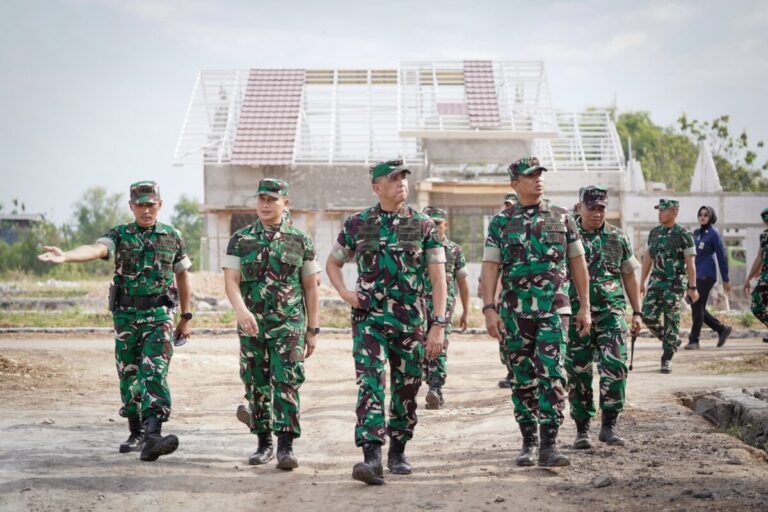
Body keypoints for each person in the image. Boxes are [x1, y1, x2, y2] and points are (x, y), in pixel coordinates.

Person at [37, 181, 192, 461]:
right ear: (131, 206)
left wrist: (186, 317)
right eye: (140, 205)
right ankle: (137, 432)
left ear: (160, 204)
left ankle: (153, 435)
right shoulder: (120, 235)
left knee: (154, 372)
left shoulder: (172, 236)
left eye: (151, 204)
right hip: (126, 317)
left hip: (160, 316)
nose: (146, 210)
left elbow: (182, 274)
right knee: (129, 374)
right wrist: (67, 256)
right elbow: (96, 249)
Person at [326, 159, 447, 485]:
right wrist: (345, 293)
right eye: (393, 179)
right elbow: (333, 263)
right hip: (369, 319)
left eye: (403, 178)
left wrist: (438, 325)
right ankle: (371, 456)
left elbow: (439, 279)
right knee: (370, 382)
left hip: (410, 321)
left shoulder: (424, 226)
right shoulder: (358, 224)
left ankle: (398, 450)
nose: (401, 183)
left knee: (407, 386)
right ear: (377, 187)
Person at [481, 156, 591, 468]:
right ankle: (528, 440)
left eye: (540, 174)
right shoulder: (501, 222)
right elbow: (491, 266)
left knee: (553, 373)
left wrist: (585, 306)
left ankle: (549, 444)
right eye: (530, 176)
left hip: (554, 310)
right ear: (515, 184)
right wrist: (489, 308)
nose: (538, 179)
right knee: (522, 378)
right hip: (515, 313)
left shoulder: (562, 217)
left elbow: (577, 262)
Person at [223, 178, 320, 470]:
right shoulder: (240, 240)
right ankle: (263, 443)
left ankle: (286, 447)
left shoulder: (300, 240)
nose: (265, 204)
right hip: (251, 325)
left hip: (289, 325)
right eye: (261, 199)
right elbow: (231, 281)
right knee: (256, 382)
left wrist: (312, 330)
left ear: (285, 203)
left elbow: (311, 287)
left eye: (272, 199)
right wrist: (241, 311)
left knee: (287, 381)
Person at [565, 186, 642, 450]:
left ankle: (609, 426)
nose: (597, 213)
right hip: (577, 315)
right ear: (580, 207)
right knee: (578, 372)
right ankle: (582, 429)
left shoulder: (617, 237)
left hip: (612, 313)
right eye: (592, 208)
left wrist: (637, 312)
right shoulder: (567, 236)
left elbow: (629, 275)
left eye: (601, 208)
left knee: (615, 367)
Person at [639, 199, 699, 373]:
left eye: (663, 210)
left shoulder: (684, 234)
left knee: (671, 321)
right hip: (655, 283)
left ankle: (667, 358)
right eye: (658, 210)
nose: (659, 214)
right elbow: (648, 259)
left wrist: (692, 287)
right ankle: (671, 340)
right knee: (647, 316)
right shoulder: (654, 233)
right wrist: (642, 282)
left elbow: (690, 263)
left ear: (673, 212)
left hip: (674, 285)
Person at [420, 206, 470, 409]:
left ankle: (435, 388)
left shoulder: (455, 250)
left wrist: (466, 311)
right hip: (418, 305)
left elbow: (463, 282)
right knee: (419, 345)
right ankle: (425, 376)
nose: (434, 227)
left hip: (443, 307)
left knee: (438, 346)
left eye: (438, 223)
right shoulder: (417, 247)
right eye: (430, 223)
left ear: (446, 225)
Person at [684, 205, 732, 350]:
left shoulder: (714, 234)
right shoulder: (696, 233)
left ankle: (694, 340)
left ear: (711, 217)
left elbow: (722, 257)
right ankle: (721, 329)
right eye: (700, 214)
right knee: (697, 307)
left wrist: (726, 279)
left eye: (706, 214)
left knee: (697, 304)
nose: (702, 217)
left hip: (707, 275)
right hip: (695, 275)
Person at [745, 207, 768, 343]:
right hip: (765, 277)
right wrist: (749, 278)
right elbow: (759, 257)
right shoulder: (764, 236)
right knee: (756, 305)